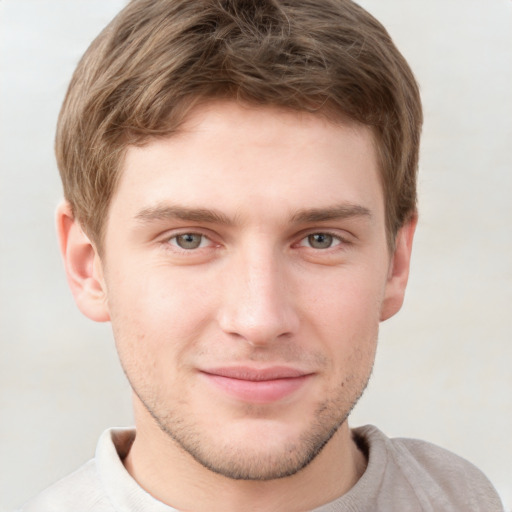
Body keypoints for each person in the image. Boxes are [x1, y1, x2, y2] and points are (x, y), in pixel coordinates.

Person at [20, 0, 504, 511]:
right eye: (189, 239)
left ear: (396, 263)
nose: (259, 320)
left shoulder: (462, 499)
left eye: (321, 239)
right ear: (87, 266)